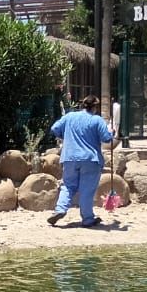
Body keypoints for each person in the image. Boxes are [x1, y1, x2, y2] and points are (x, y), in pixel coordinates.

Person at [48, 94, 115, 228]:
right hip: (90, 159)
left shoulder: (69, 116)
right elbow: (107, 138)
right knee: (87, 190)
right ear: (95, 107)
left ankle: (60, 210)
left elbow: (54, 129)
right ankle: (88, 219)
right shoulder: (97, 120)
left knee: (68, 186)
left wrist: (65, 136)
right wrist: (112, 131)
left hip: (69, 158)